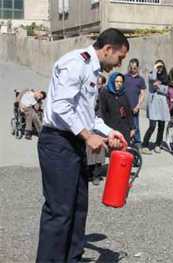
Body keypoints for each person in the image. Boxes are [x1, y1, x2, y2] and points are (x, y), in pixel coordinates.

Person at [36, 28, 129, 263]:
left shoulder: (91, 69)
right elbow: (61, 107)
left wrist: (109, 132)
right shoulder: (76, 63)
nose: (119, 64)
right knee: (59, 211)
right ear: (108, 49)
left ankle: (72, 258)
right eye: (120, 57)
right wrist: (88, 136)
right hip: (57, 143)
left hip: (73, 143)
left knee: (77, 208)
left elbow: (86, 116)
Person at [141, 60, 170, 154]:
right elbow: (153, 79)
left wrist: (159, 87)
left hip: (162, 104)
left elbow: (166, 90)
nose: (159, 69)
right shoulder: (151, 75)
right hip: (153, 104)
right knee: (152, 126)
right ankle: (144, 145)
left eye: (160, 67)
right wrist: (154, 68)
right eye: (157, 67)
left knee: (161, 126)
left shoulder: (165, 77)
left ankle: (158, 144)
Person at [99, 72, 136, 143]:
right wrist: (104, 130)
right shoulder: (105, 93)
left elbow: (128, 112)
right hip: (110, 129)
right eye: (117, 81)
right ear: (112, 81)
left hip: (124, 128)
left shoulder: (124, 94)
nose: (119, 84)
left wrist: (132, 128)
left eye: (121, 82)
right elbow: (102, 112)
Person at [87, 75, 107, 186]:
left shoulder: (104, 94)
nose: (98, 85)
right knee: (89, 149)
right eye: (97, 83)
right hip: (89, 124)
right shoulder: (91, 93)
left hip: (100, 123)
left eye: (100, 83)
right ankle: (89, 173)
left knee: (99, 150)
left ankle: (97, 175)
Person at [124, 58, 146, 148]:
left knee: (135, 125)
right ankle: (125, 142)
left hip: (134, 107)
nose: (132, 69)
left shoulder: (140, 79)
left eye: (134, 68)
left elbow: (142, 94)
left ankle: (137, 143)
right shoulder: (124, 77)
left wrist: (138, 106)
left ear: (137, 68)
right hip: (125, 106)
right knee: (124, 125)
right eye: (131, 67)